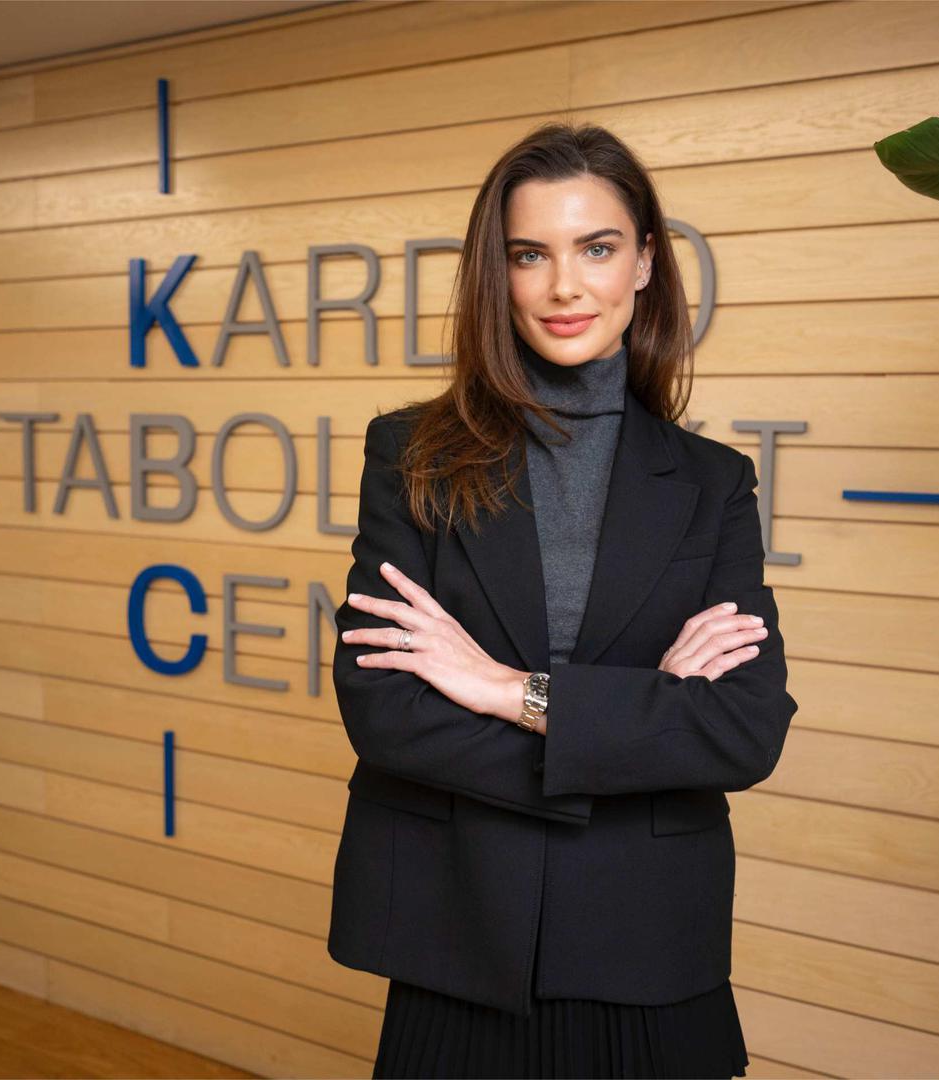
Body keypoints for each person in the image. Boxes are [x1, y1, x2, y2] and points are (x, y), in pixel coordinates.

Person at [328, 121, 797, 1079]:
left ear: (644, 263)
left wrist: (509, 690)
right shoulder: (411, 454)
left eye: (596, 248)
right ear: (495, 274)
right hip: (459, 931)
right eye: (528, 255)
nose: (563, 287)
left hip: (647, 936)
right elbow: (385, 710)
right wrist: (636, 719)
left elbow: (743, 730)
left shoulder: (712, 482)